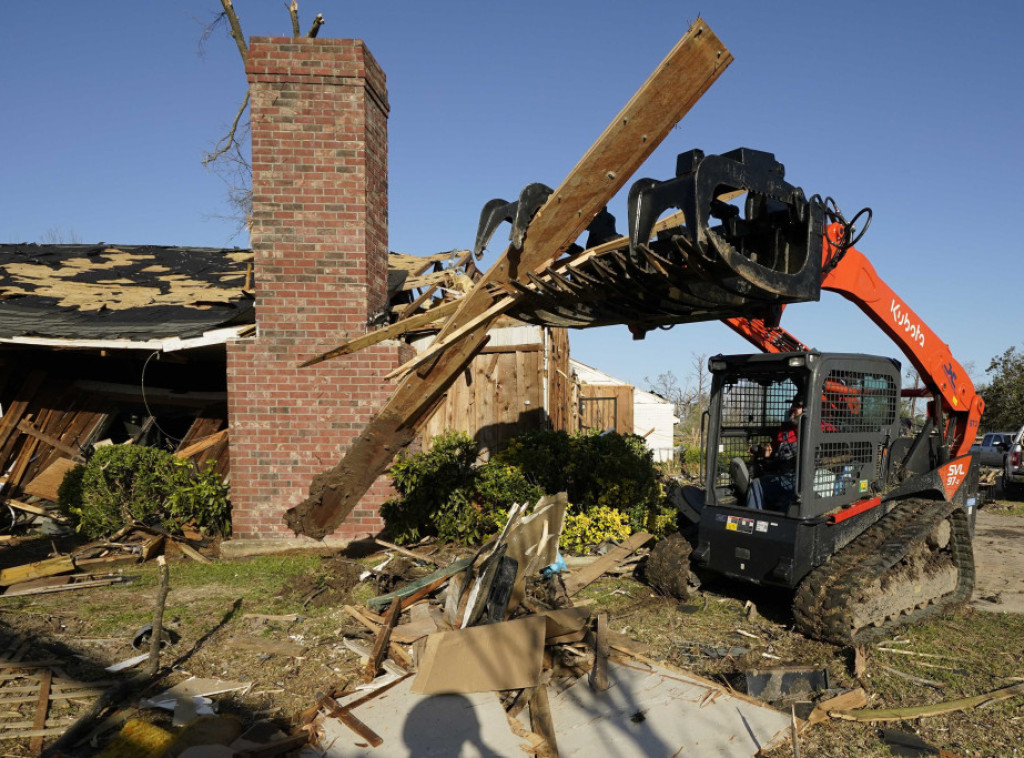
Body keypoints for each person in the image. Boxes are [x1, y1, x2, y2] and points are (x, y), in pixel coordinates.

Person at [746, 398, 803, 510]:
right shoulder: (785, 430)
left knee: (792, 498)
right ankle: (753, 519)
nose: (792, 409)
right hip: (784, 477)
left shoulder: (817, 428)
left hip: (804, 482)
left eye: (796, 406)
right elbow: (771, 449)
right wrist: (763, 452)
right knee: (757, 484)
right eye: (792, 406)